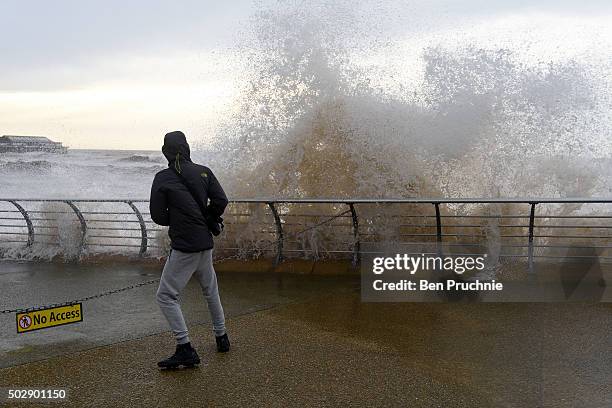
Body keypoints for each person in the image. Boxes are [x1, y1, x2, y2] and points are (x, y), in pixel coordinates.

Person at [150, 130, 230, 368]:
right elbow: (221, 201)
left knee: (166, 296)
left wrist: (176, 220)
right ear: (186, 148)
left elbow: (157, 216)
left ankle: (185, 347)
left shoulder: (163, 178)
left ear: (166, 151)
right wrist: (208, 217)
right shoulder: (204, 171)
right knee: (210, 290)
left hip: (185, 246)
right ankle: (221, 337)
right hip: (205, 243)